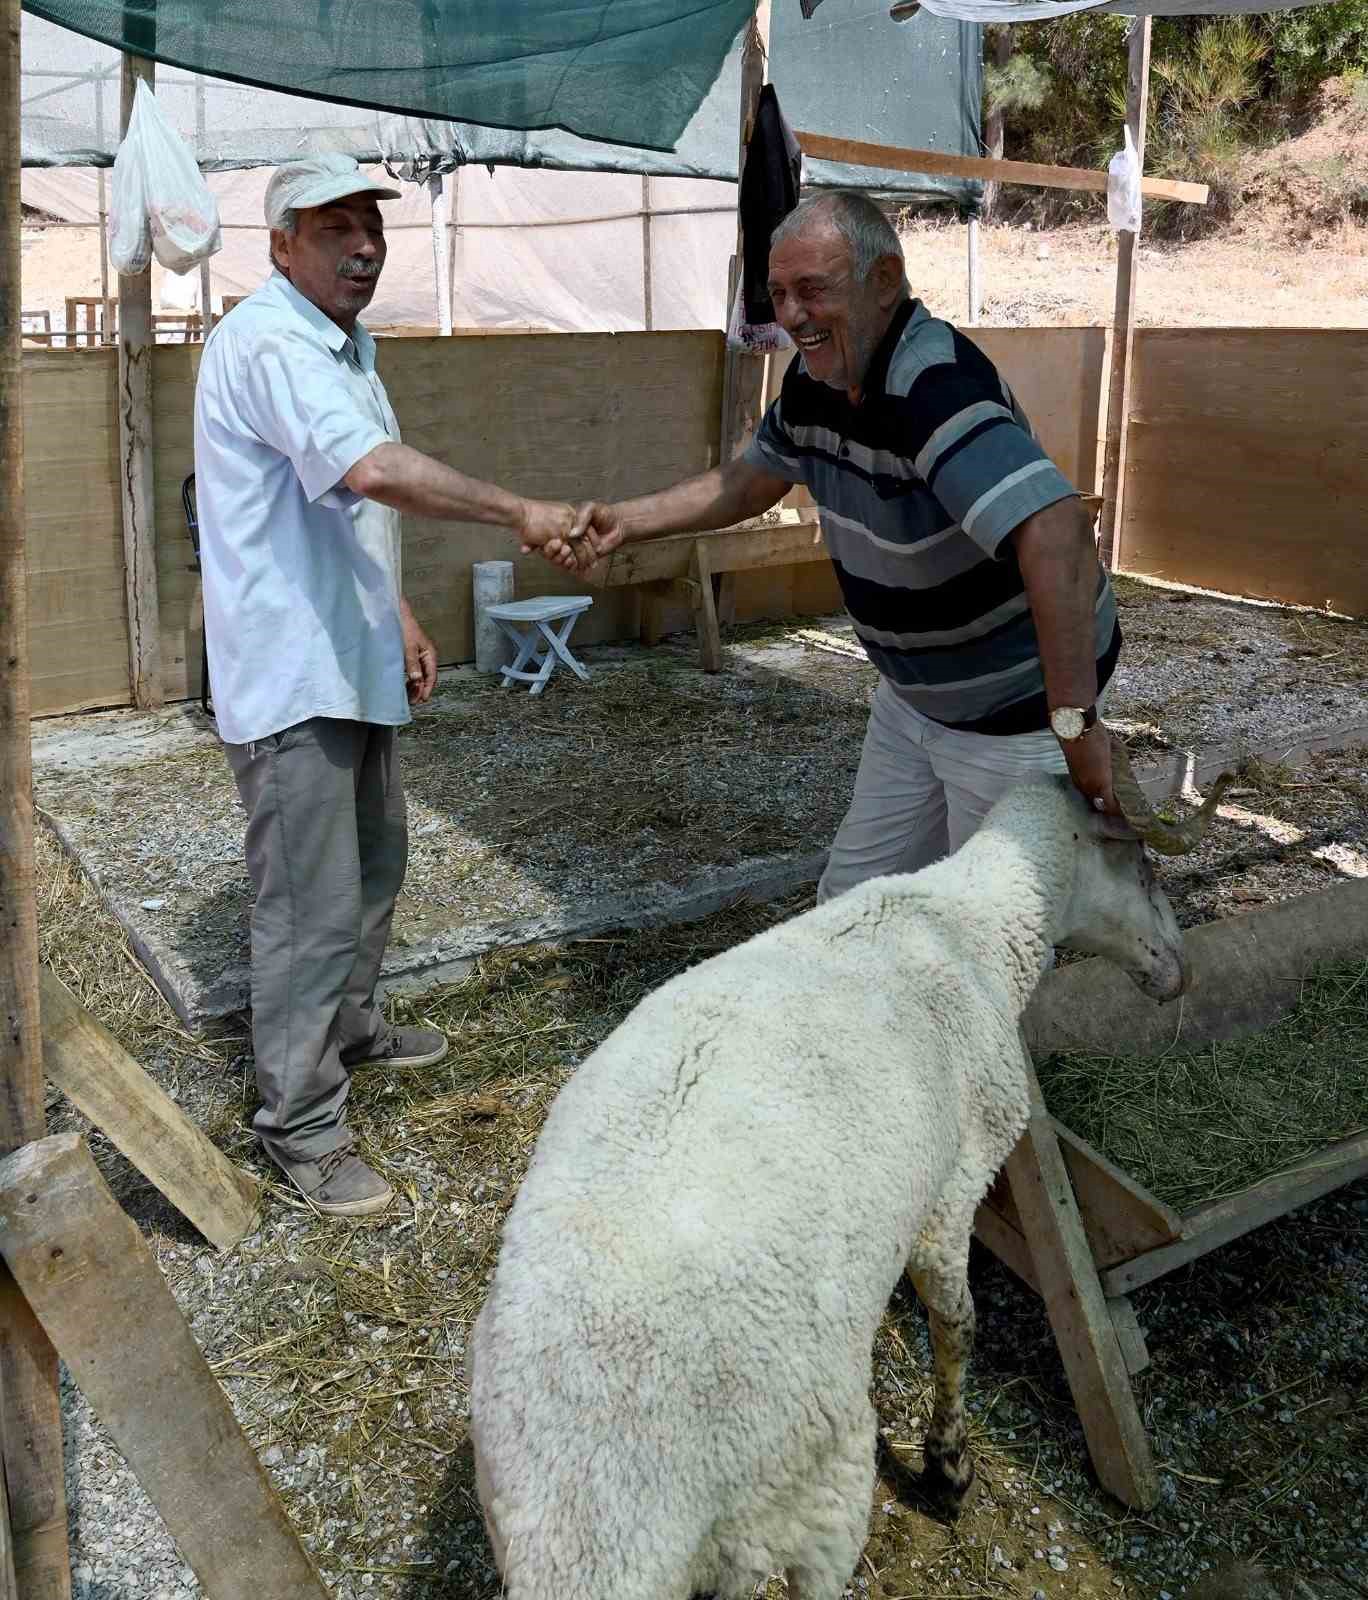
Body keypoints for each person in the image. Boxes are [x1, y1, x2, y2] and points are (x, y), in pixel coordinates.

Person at [193, 154, 582, 1217]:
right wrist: (519, 511)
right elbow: (369, 469)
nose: (364, 245)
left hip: (346, 653)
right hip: (293, 672)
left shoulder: (344, 345)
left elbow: (343, 504)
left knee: (371, 866)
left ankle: (350, 1027)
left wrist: (398, 612)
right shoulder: (272, 341)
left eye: (372, 226)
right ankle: (302, 1123)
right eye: (335, 228)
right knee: (307, 906)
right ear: (281, 245)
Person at [563, 190, 1124, 900]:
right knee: (853, 907)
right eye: (778, 293)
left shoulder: (931, 388)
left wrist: (1074, 726)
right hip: (914, 704)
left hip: (1013, 718)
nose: (791, 314)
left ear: (884, 280)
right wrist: (626, 521)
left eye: (812, 290)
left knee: (988, 936)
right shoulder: (815, 382)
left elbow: (1057, 528)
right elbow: (749, 479)